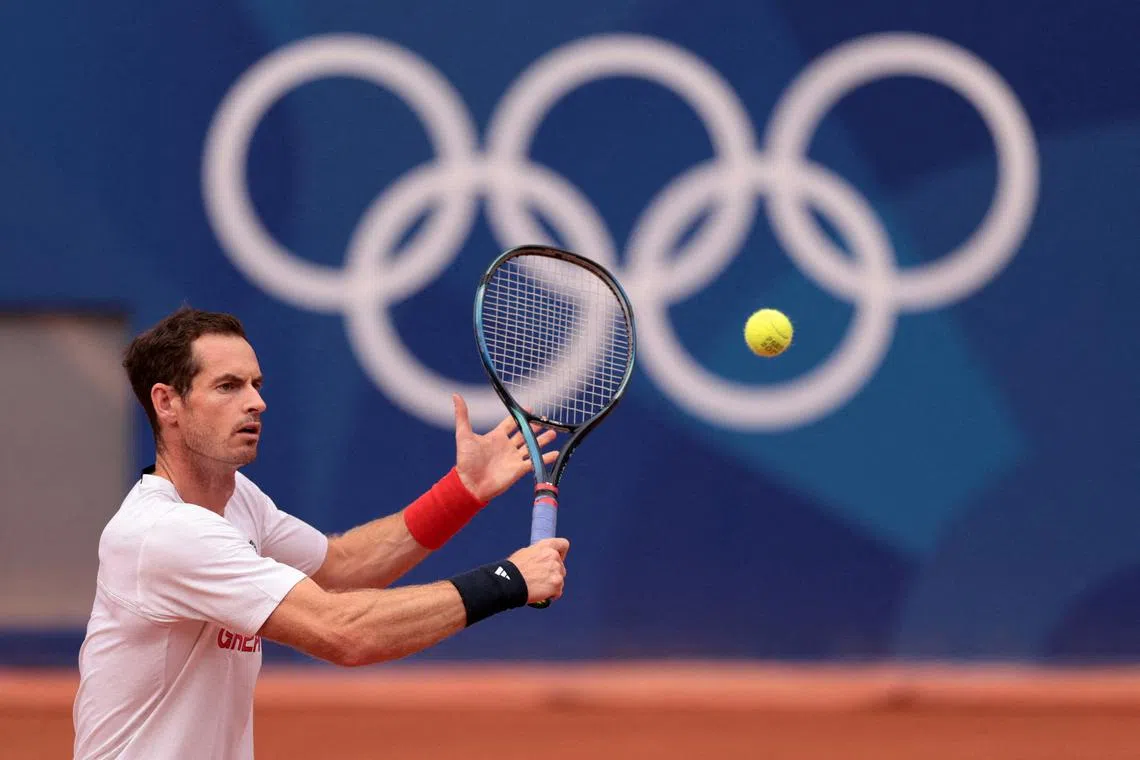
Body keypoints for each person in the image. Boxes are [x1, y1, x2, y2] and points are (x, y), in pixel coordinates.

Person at [72, 306, 569, 760]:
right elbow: (345, 631)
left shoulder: (239, 499)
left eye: (256, 384)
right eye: (228, 387)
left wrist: (462, 492)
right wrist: (508, 580)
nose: (257, 402)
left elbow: (342, 567)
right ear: (167, 403)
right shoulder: (163, 532)